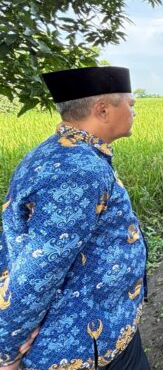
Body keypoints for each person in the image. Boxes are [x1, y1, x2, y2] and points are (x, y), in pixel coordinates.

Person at [0, 67, 150, 369]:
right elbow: (39, 268)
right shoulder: (76, 171)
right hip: (82, 348)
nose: (135, 112)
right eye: (131, 105)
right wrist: (7, 350)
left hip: (103, 329)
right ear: (103, 110)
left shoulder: (64, 153)